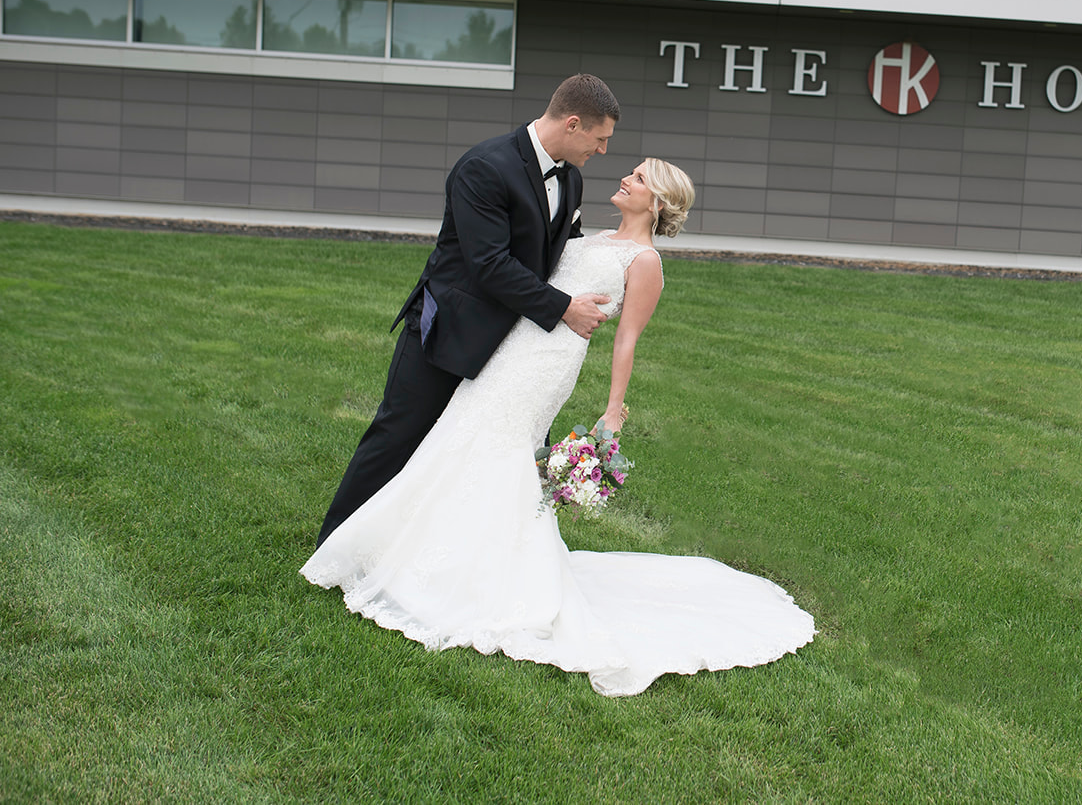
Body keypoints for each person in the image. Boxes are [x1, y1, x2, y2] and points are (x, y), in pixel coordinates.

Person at [302, 158, 815, 696]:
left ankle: (486, 575)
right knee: (459, 436)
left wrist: (613, 411)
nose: (625, 178)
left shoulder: (645, 263)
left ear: (658, 203)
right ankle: (425, 550)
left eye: (638, 179)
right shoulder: (591, 235)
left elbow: (626, 339)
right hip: (509, 349)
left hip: (547, 366)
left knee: (500, 449)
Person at [315, 74, 618, 548]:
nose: (602, 151)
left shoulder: (571, 178)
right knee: (399, 435)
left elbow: (563, 250)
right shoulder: (485, 167)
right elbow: (488, 265)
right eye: (599, 140)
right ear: (574, 123)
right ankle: (336, 542)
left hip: (514, 344)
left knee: (489, 449)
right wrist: (563, 309)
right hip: (450, 328)